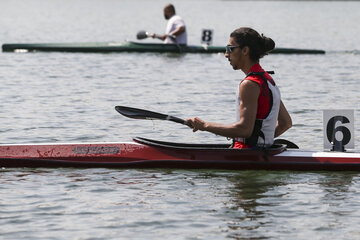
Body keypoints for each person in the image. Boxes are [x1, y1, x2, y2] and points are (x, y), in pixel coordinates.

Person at [186, 27, 292, 149]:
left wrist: (204, 125)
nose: (226, 54)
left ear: (245, 50)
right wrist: (261, 142)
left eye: (230, 49)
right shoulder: (267, 80)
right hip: (259, 153)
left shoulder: (249, 84)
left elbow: (244, 130)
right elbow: (286, 123)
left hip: (247, 155)